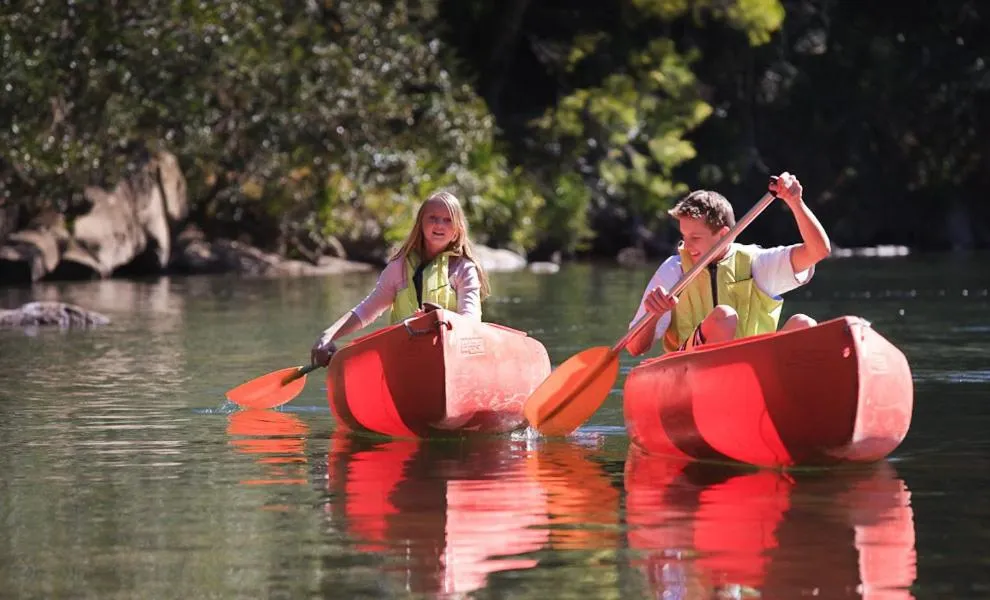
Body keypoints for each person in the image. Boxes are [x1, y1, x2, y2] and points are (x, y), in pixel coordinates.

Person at [626, 171, 832, 357]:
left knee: (804, 324)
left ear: (724, 235)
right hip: (688, 371)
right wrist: (654, 314)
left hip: (754, 370)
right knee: (723, 317)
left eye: (695, 237)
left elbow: (818, 251)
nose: (686, 245)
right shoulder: (674, 270)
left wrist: (796, 202)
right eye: (684, 236)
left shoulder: (756, 262)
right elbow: (635, 348)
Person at [310, 190, 491, 366]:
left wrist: (441, 318)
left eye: (447, 220)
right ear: (420, 223)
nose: (439, 225)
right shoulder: (399, 266)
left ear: (458, 229)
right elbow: (367, 310)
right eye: (433, 218)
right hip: (406, 356)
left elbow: (471, 321)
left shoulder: (464, 269)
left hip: (453, 357)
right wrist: (329, 335)